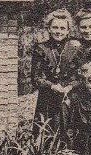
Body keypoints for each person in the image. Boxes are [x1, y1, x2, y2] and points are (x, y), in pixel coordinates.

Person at [31, 9, 84, 138]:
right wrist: (51, 86)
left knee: (70, 133)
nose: (58, 31)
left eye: (62, 28)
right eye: (55, 27)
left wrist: (70, 87)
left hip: (70, 96)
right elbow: (36, 78)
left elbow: (81, 76)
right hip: (47, 98)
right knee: (47, 133)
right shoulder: (41, 48)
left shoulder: (76, 48)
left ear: (68, 30)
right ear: (48, 28)